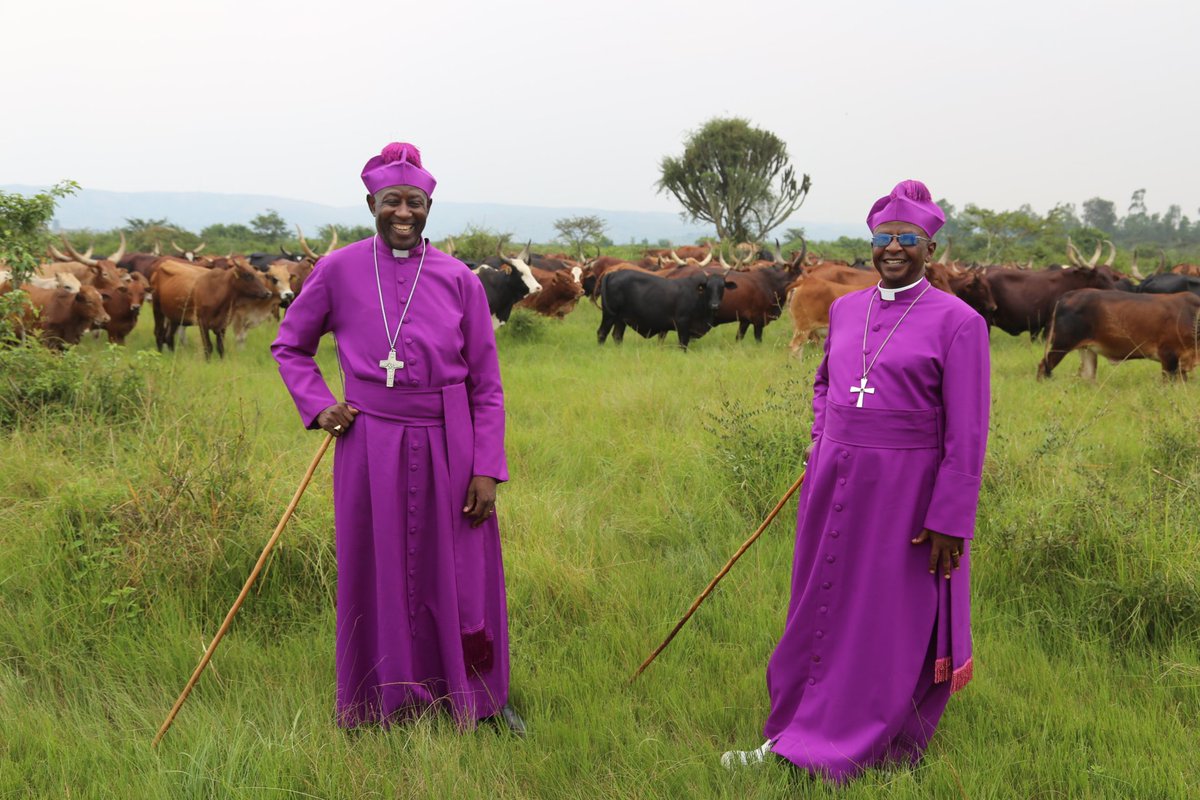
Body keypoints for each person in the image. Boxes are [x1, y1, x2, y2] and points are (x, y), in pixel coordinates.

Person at [722, 180, 989, 780]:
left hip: (908, 493)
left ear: (929, 248)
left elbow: (968, 434)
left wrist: (950, 518)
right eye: (883, 238)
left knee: (884, 616)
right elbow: (824, 384)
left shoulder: (959, 322)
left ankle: (863, 737)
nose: (893, 248)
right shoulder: (845, 308)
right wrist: (825, 439)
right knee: (821, 604)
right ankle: (796, 724)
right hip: (834, 480)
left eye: (907, 239)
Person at [271, 142, 524, 734]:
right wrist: (318, 406)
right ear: (371, 204)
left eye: (415, 202)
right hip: (370, 442)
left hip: (449, 440)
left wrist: (486, 467)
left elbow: (487, 386)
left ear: (429, 206)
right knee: (374, 563)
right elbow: (290, 345)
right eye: (391, 201)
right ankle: (374, 698)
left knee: (464, 569)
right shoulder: (338, 270)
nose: (403, 213)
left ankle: (482, 697)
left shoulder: (460, 279)